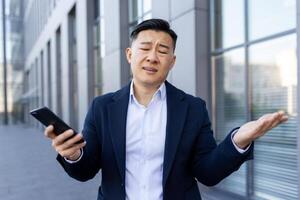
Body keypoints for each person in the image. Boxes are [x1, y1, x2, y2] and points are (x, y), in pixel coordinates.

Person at [45, 19, 288, 200]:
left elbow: (207, 173)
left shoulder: (192, 108)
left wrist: (238, 141)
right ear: (130, 55)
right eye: (145, 48)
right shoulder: (103, 107)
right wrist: (73, 155)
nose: (152, 57)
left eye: (162, 51)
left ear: (172, 62)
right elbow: (85, 171)